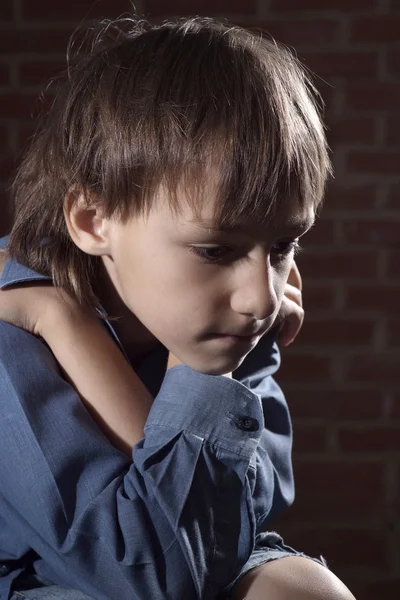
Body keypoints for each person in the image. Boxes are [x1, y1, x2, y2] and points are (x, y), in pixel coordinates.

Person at [0, 15, 355, 600]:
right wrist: (61, 321)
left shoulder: (232, 317)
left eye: (284, 245)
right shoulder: (13, 322)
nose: (262, 298)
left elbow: (234, 518)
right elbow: (143, 572)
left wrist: (72, 329)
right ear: (94, 220)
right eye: (214, 249)